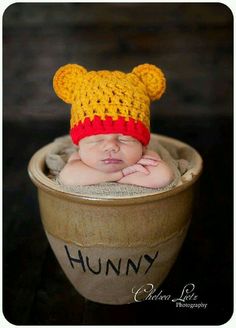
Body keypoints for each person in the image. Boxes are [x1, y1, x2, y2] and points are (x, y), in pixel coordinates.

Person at [53, 63, 174, 188]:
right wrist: (120, 174)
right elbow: (68, 178)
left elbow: (163, 177)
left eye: (124, 139)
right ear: (78, 146)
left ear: (143, 146)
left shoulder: (145, 157)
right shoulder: (78, 160)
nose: (111, 146)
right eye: (96, 140)